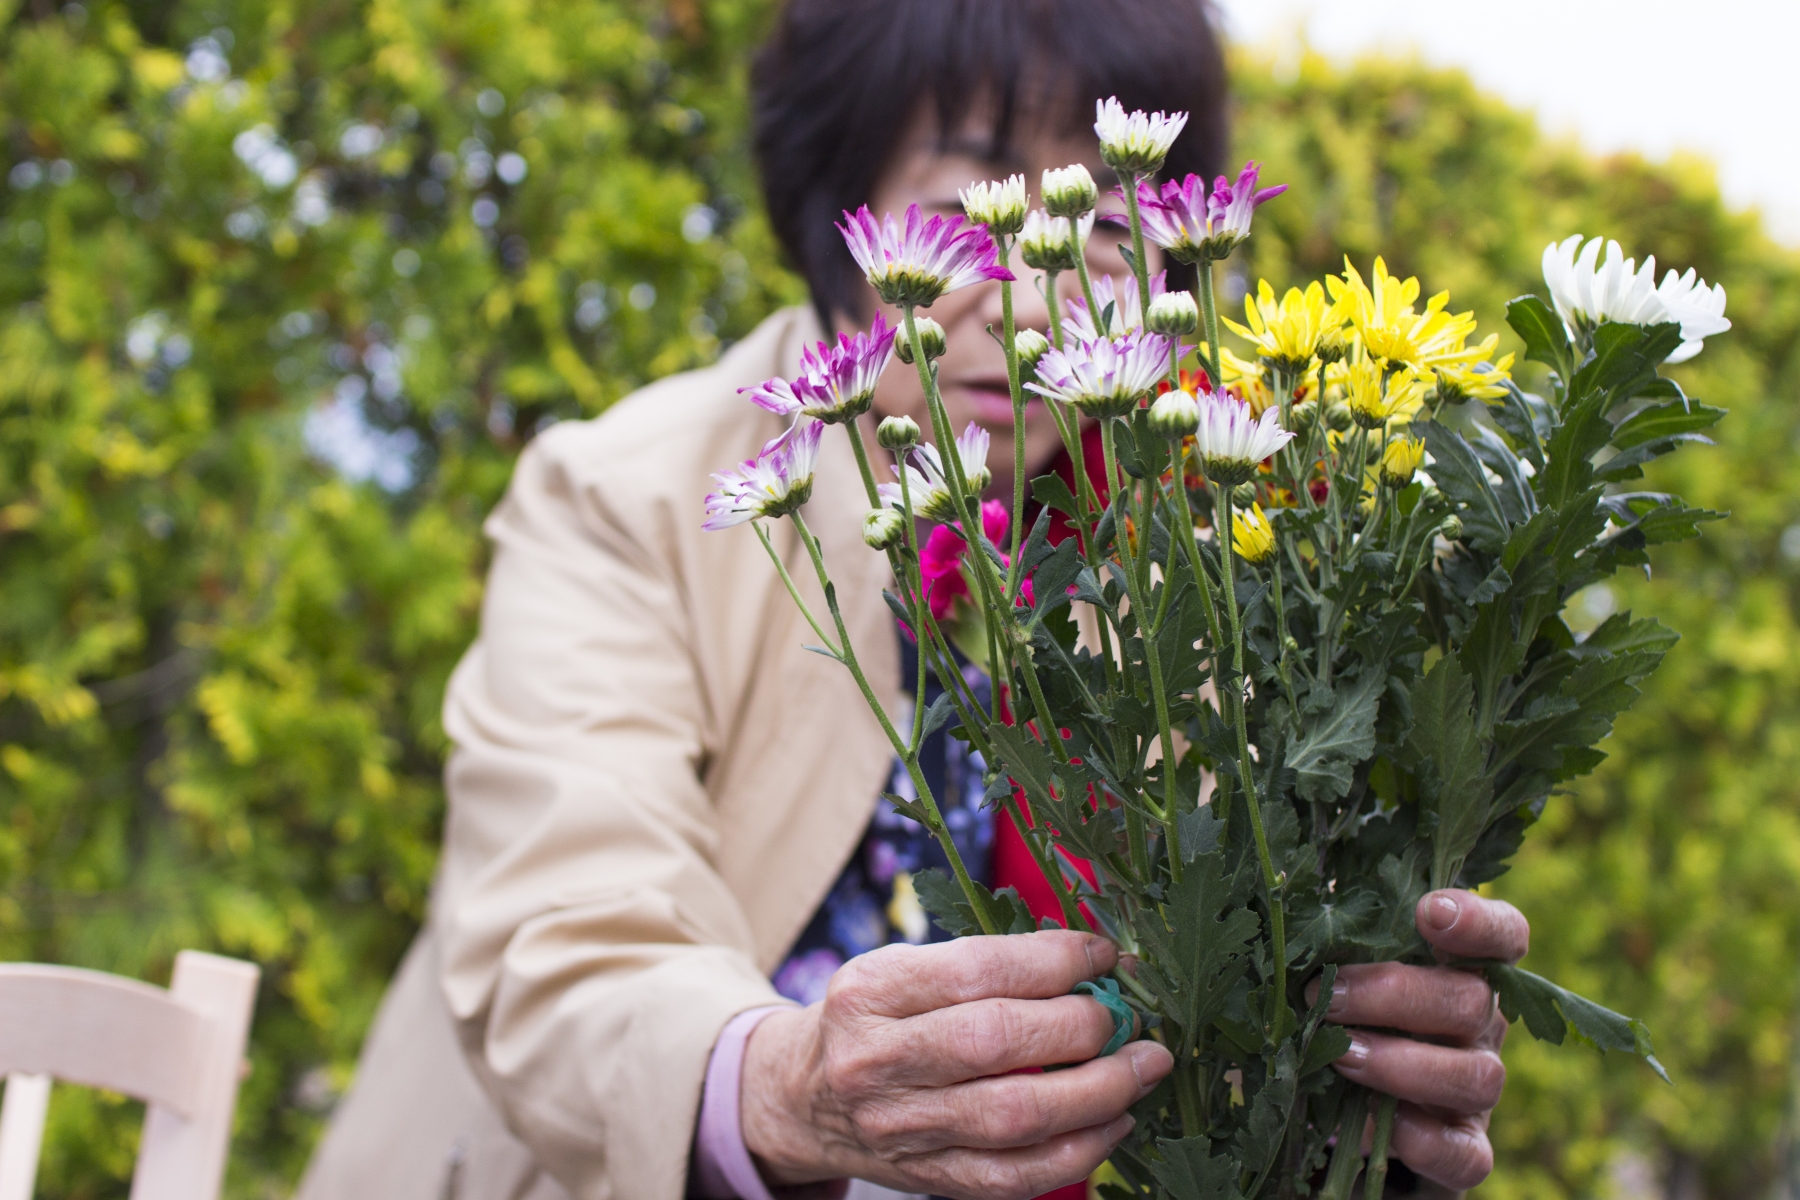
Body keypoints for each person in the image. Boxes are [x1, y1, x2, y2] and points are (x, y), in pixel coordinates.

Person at [298, 2, 1526, 1198]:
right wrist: (782, 1087)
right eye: (960, 216)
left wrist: (1362, 1108)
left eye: (1099, 222)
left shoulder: (1217, 533)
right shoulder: (632, 496)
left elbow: (1257, 977)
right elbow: (556, 939)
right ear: (835, 219)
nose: (1039, 302)